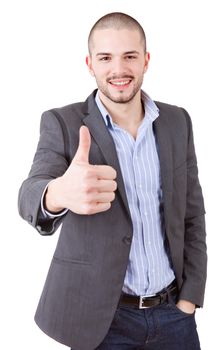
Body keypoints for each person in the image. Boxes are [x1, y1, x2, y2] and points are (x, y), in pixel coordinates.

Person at [18, 12, 207, 350]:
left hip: (173, 316)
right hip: (103, 324)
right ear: (90, 64)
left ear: (146, 60)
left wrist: (189, 299)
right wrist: (59, 193)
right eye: (105, 58)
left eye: (130, 56)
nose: (118, 69)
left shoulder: (178, 122)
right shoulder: (63, 123)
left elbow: (193, 216)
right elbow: (29, 194)